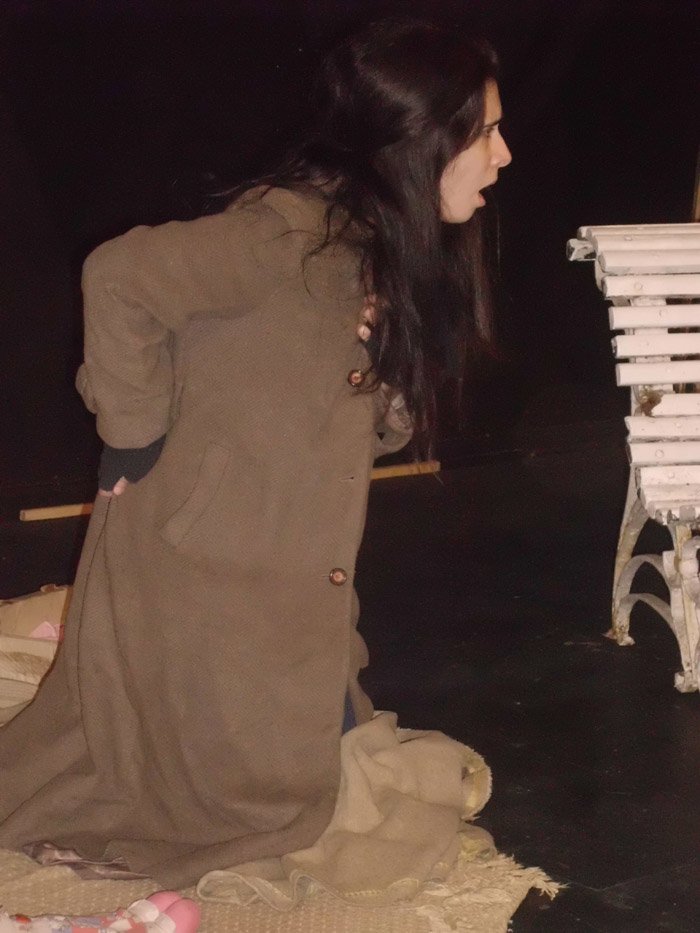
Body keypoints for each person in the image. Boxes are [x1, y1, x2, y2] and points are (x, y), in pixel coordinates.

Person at [0, 18, 511, 889]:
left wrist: (386, 365)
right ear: (422, 139)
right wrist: (133, 438)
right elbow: (119, 276)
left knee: (324, 767)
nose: (502, 155)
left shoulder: (371, 253)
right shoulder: (283, 237)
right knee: (232, 801)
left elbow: (362, 431)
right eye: (487, 132)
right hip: (205, 569)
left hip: (286, 570)